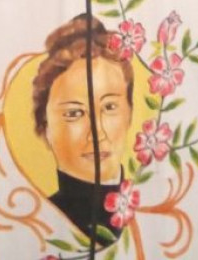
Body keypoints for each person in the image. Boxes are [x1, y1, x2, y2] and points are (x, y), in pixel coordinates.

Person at [32, 14, 134, 240]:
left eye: (109, 107)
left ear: (129, 113)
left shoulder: (152, 216)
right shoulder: (38, 226)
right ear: (46, 127)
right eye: (74, 113)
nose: (97, 133)